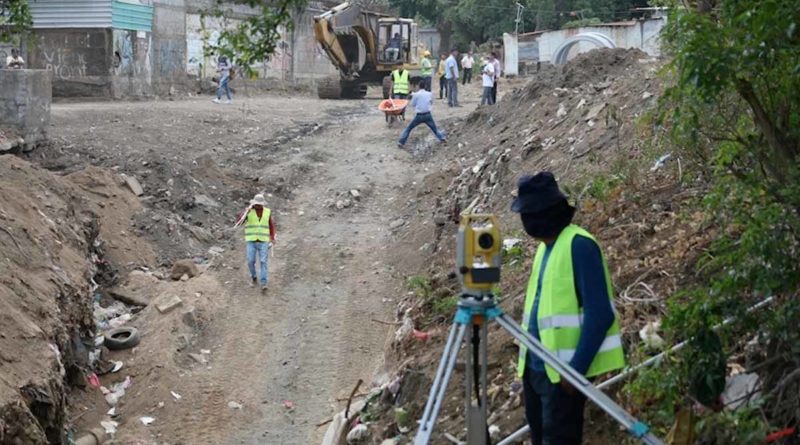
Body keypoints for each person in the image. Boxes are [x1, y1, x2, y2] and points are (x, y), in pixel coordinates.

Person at [512, 172, 626, 445]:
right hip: (535, 372)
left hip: (562, 375)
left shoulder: (580, 245)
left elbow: (600, 314)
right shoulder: (544, 249)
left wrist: (575, 371)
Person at [237, 193, 276, 292]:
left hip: (263, 241)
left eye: (259, 204)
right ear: (253, 203)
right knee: (250, 261)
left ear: (262, 204)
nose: (258, 205)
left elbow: (271, 225)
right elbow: (239, 221)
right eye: (256, 204)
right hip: (251, 240)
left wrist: (272, 237)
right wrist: (246, 211)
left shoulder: (267, 212)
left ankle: (264, 283)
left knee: (263, 261)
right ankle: (253, 276)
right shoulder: (248, 212)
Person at [397, 80, 447, 149]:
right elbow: (431, 102)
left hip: (419, 115)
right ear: (425, 86)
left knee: (409, 128)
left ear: (418, 86)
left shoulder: (416, 95)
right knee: (434, 129)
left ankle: (401, 142)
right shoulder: (429, 94)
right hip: (428, 114)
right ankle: (442, 138)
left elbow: (412, 104)